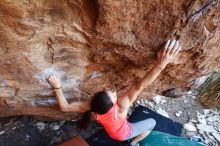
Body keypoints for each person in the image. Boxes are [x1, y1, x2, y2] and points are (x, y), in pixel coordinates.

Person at [48, 39, 181, 146]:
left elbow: (65, 107)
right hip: (124, 134)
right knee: (152, 122)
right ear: (112, 105)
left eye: (109, 92)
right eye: (112, 96)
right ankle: (134, 142)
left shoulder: (91, 107)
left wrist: (58, 87)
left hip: (111, 131)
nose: (113, 92)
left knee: (133, 122)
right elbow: (140, 85)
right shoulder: (121, 107)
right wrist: (161, 64)